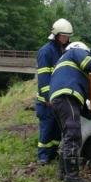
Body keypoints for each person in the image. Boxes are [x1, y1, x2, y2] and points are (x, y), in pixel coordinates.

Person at [49, 41, 91, 182]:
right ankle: (72, 176)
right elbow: (90, 65)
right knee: (74, 135)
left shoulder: (67, 68)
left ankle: (63, 172)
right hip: (66, 96)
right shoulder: (75, 52)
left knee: (67, 135)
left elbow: (79, 102)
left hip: (60, 99)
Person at [35, 18, 73, 165]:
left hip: (57, 98)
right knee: (47, 129)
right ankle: (43, 156)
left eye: (68, 36)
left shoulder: (61, 50)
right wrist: (47, 98)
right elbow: (43, 79)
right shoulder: (46, 52)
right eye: (64, 36)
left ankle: (53, 153)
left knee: (57, 129)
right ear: (56, 35)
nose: (67, 39)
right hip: (46, 102)